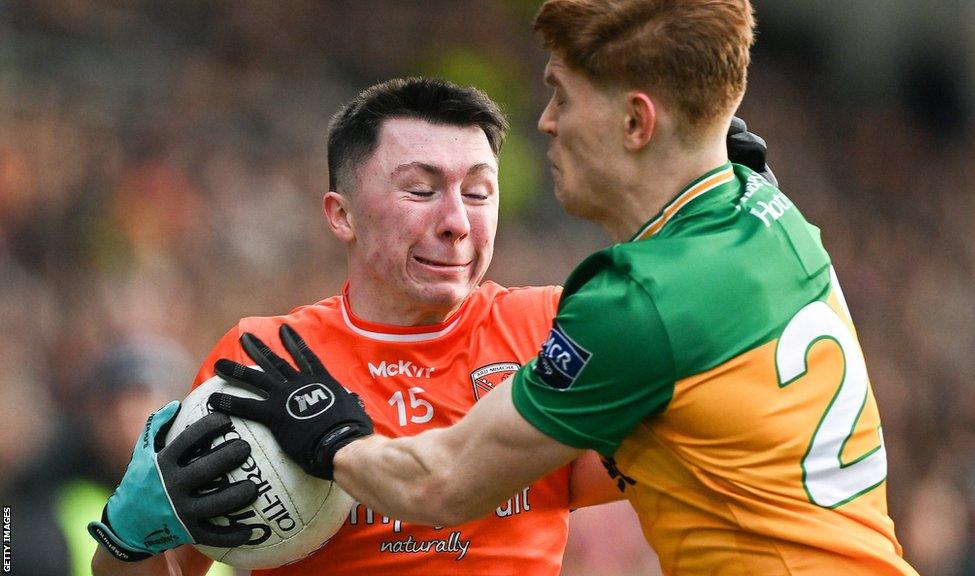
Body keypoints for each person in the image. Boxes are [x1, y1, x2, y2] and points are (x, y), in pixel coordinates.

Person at [209, 2, 921, 575]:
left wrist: (331, 438)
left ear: (636, 122)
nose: (545, 121)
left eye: (561, 96)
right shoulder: (768, 214)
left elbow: (442, 484)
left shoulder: (636, 302)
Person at [89, 77, 775, 575]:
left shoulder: (555, 326)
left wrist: (724, 261)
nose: (457, 221)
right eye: (420, 190)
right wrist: (130, 538)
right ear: (341, 214)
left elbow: (702, 437)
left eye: (479, 192)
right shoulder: (264, 358)